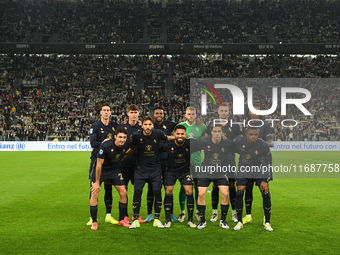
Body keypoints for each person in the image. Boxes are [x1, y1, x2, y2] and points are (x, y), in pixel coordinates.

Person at [123, 116, 174, 229]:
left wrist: (180, 138)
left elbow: (168, 138)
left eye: (149, 124)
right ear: (142, 125)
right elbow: (130, 148)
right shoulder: (136, 136)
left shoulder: (158, 134)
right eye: (145, 124)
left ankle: (156, 219)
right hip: (140, 169)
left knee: (157, 193)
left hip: (155, 169)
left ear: (152, 125)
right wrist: (121, 157)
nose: (147, 127)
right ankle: (135, 219)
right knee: (137, 193)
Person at [192, 124, 235, 229]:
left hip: (221, 172)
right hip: (206, 171)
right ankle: (202, 221)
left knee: (225, 194)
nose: (216, 133)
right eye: (214, 131)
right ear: (211, 132)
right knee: (201, 194)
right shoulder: (204, 142)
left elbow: (241, 147)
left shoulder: (228, 143)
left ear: (222, 132)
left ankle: (223, 221)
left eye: (219, 131)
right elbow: (192, 147)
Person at [204, 102, 241, 223]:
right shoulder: (212, 124)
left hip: (229, 159)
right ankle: (215, 213)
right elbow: (205, 139)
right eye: (222, 111)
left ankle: (234, 213)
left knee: (231, 185)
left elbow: (240, 139)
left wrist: (231, 142)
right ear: (218, 112)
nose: (224, 113)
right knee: (215, 185)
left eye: (226, 111)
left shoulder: (234, 125)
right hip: (215, 160)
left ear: (228, 112)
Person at [232, 126, 273, 231]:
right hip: (244, 171)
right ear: (246, 134)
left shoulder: (263, 145)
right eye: (251, 134)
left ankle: (267, 222)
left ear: (258, 135)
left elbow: (269, 162)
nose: (253, 136)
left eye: (255, 134)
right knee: (239, 193)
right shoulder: (239, 142)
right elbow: (229, 145)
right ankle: (239, 221)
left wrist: (265, 180)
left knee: (265, 193)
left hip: (259, 171)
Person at [89, 127, 130, 230]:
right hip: (101, 170)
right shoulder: (106, 145)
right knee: (95, 192)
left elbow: (130, 150)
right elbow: (99, 164)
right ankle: (94, 222)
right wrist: (97, 182)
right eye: (120, 137)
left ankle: (121, 220)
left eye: (124, 137)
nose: (122, 139)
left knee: (123, 192)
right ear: (115, 137)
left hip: (114, 170)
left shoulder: (126, 145)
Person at [144, 106, 178, 223]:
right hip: (153, 162)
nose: (159, 115)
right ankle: (149, 214)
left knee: (168, 188)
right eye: (157, 113)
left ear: (164, 115)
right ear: (153, 115)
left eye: (161, 113)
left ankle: (171, 213)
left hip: (167, 161)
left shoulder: (169, 124)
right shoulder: (150, 126)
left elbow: (182, 126)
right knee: (152, 188)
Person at [87, 103, 118, 226]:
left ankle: (108, 215)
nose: (106, 112)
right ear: (100, 112)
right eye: (104, 110)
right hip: (96, 160)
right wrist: (105, 142)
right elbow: (93, 142)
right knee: (94, 188)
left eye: (108, 110)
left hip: (110, 161)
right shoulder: (95, 126)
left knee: (108, 187)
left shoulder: (115, 126)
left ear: (111, 113)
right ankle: (92, 217)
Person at [242, 103, 274, 225]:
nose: (255, 113)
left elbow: (271, 143)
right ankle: (248, 216)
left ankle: (266, 219)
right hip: (248, 163)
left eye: (258, 111)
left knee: (264, 190)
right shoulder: (245, 124)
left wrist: (261, 142)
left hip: (261, 164)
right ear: (249, 112)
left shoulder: (265, 125)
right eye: (253, 111)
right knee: (248, 190)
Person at [162, 125, 196, 228]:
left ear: (185, 135)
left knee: (189, 191)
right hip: (171, 171)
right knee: (168, 190)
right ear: (174, 135)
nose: (180, 136)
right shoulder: (167, 145)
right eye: (178, 134)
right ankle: (168, 219)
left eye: (182, 134)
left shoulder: (190, 143)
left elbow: (205, 144)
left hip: (185, 171)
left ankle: (190, 219)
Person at [177, 107, 206, 222]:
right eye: (189, 114)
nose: (191, 116)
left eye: (193, 114)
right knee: (183, 186)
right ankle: (182, 212)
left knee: (197, 186)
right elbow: (173, 138)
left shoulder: (202, 127)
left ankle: (198, 211)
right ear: (185, 115)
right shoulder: (180, 127)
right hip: (183, 160)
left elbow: (208, 137)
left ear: (196, 115)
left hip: (197, 160)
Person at [118, 104, 145, 223]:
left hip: (138, 163)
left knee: (138, 189)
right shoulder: (122, 127)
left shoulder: (142, 127)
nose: (134, 114)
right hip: (124, 163)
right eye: (131, 112)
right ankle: (125, 215)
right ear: (128, 113)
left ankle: (136, 215)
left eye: (136, 112)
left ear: (138, 114)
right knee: (123, 190)